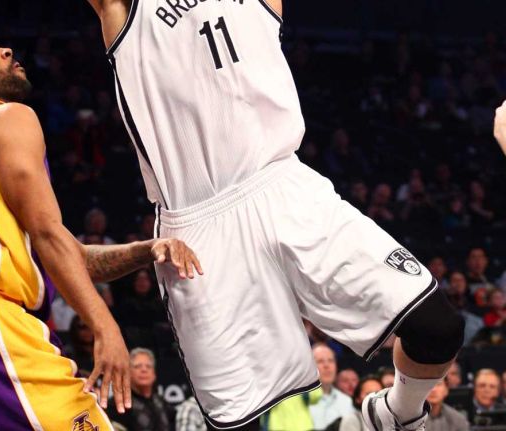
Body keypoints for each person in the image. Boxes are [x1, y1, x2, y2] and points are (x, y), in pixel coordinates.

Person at [85, 1, 464, 429]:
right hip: (199, 227)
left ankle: (396, 413)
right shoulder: (124, 8)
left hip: (285, 187)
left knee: (438, 328)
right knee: (236, 421)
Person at [0, 36, 202, 430]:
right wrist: (105, 326)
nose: (6, 50)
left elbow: (69, 257)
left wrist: (148, 250)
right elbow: (48, 233)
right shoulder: (7, 116)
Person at [110, 348, 171, 431]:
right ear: (128, 373)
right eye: (137, 366)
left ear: (154, 374)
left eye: (148, 366)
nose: (144, 370)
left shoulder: (163, 404)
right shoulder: (116, 405)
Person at [309, 344, 354, 430]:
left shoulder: (347, 402)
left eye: (330, 361)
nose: (327, 366)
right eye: (320, 361)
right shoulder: (298, 400)